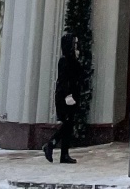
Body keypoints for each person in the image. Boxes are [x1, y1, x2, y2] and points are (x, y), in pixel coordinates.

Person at [41, 33, 86, 164]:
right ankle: (50, 144)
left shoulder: (72, 60)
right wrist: (68, 95)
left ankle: (64, 154)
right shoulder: (65, 61)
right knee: (67, 125)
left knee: (69, 125)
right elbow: (64, 80)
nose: (76, 47)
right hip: (65, 98)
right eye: (74, 44)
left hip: (71, 96)